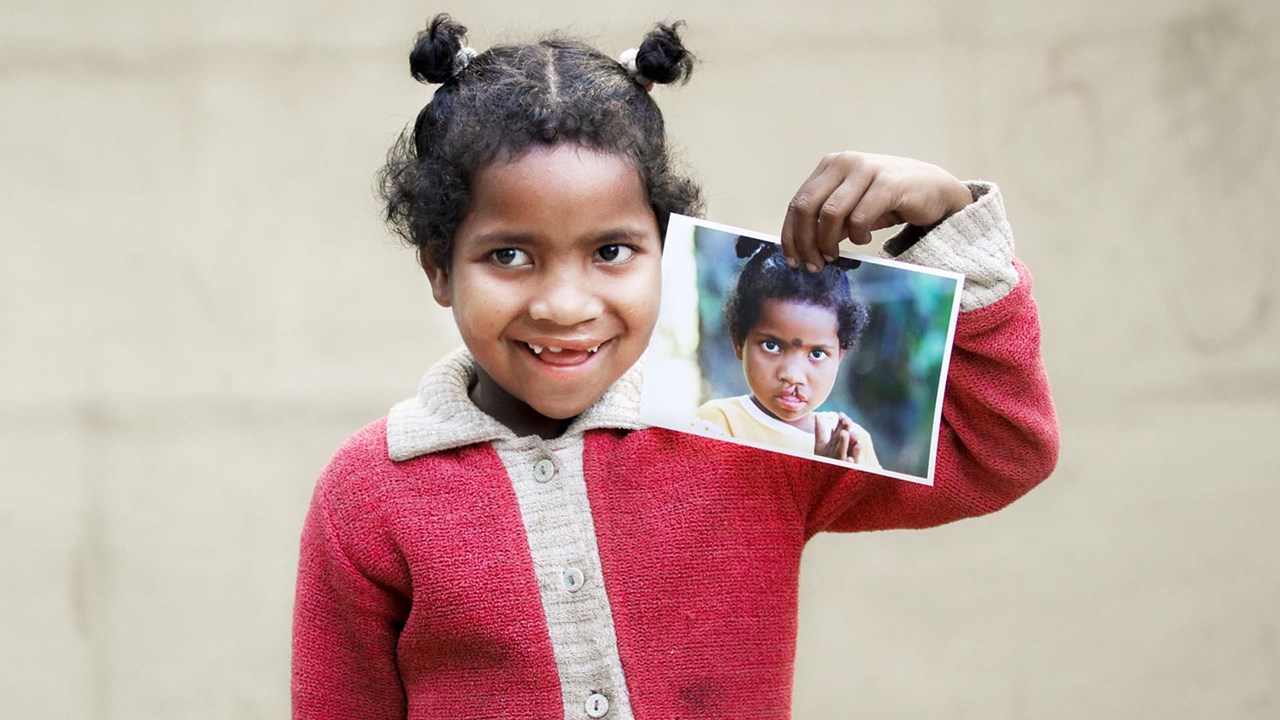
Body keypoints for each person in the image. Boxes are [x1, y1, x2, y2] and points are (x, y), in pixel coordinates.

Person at [292, 14, 1059, 720]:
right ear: (439, 267)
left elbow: (999, 453)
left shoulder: (753, 433)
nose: (565, 305)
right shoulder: (369, 491)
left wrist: (954, 229)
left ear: (667, 251)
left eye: (611, 252)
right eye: (509, 255)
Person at [697, 240, 881, 467]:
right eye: (771, 346)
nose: (792, 375)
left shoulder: (852, 442)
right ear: (739, 342)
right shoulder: (720, 422)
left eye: (816, 353)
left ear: (840, 355)